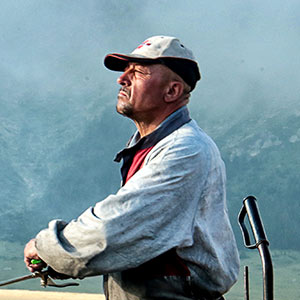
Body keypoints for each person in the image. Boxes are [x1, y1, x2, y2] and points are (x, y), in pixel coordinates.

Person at [24, 35, 240, 300]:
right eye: (125, 71)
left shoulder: (185, 149)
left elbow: (118, 225)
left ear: (171, 91)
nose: (121, 79)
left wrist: (48, 248)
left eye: (137, 72)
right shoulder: (151, 145)